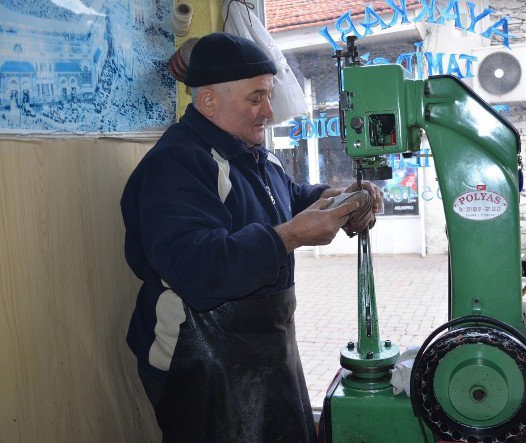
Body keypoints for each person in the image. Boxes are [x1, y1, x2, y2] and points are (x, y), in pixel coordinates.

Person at [120, 32, 382, 442]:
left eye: (269, 95)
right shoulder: (175, 165)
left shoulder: (251, 149)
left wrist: (336, 201)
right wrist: (290, 237)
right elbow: (196, 268)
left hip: (265, 349)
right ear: (208, 101)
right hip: (200, 359)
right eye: (255, 98)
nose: (269, 111)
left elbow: (285, 199)